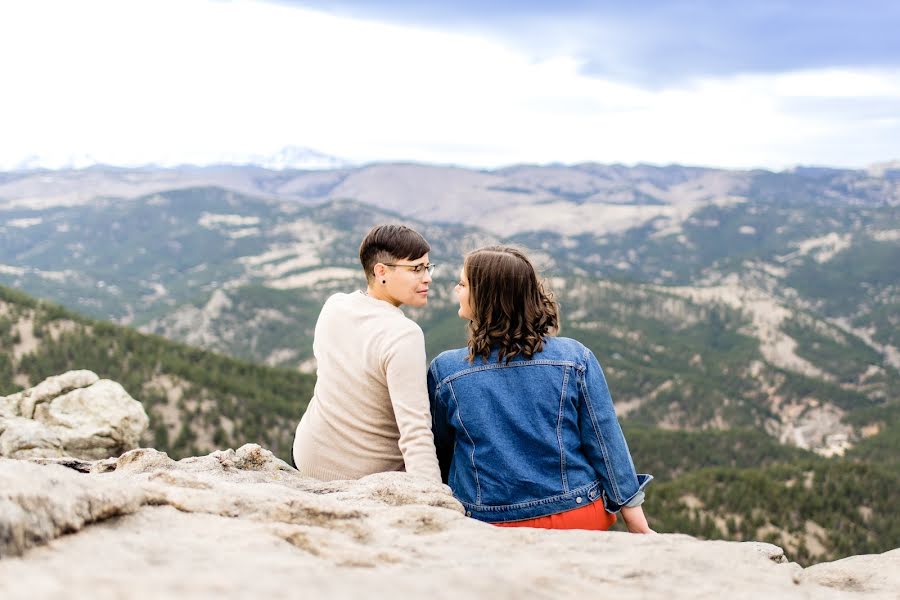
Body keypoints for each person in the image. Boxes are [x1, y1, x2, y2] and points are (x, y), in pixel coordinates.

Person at [428, 245, 653, 532]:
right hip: (576, 512)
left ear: (486, 297)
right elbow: (606, 443)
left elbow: (442, 454)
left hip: (490, 522)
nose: (456, 290)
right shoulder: (575, 358)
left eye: (462, 284)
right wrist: (637, 523)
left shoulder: (446, 370)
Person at [292, 224, 441, 483]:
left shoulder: (334, 305)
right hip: (364, 478)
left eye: (427, 267)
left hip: (307, 457)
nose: (427, 277)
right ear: (381, 271)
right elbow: (415, 432)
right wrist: (433, 500)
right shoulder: (404, 334)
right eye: (416, 269)